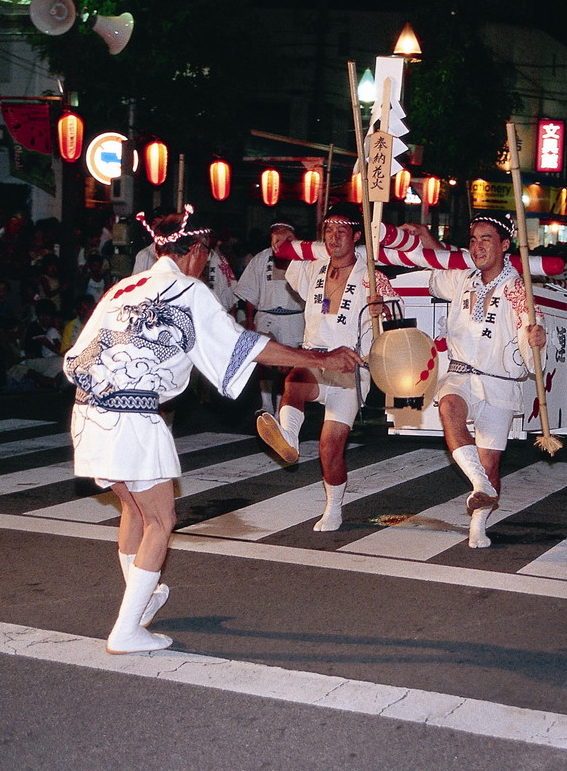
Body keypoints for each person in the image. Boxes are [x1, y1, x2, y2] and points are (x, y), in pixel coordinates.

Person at [63, 204, 364, 655]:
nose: (207, 263)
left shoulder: (123, 288)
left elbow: (74, 359)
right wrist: (321, 360)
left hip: (87, 412)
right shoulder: (187, 290)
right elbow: (249, 347)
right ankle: (126, 630)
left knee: (136, 512)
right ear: (196, 250)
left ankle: (140, 604)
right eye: (207, 254)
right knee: (162, 520)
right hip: (133, 415)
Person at [255, 202, 397, 533]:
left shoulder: (372, 277)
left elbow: (395, 319)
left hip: (350, 368)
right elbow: (283, 251)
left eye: (342, 231)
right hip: (315, 358)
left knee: (329, 449)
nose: (333, 237)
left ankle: (334, 508)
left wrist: (382, 310)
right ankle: (288, 437)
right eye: (328, 230)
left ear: (357, 236)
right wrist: (284, 237)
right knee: (296, 377)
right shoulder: (313, 267)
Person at [407, 215, 547, 548]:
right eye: (472, 240)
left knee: (491, 461)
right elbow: (434, 268)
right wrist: (427, 239)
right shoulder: (462, 279)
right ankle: (480, 485)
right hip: (461, 374)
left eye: (486, 239)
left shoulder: (518, 289)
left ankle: (478, 525)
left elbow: (531, 324)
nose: (477, 246)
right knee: (449, 405)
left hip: (500, 384)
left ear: (505, 245)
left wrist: (537, 338)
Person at [233, 221, 306, 415]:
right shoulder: (261, 258)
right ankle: (266, 403)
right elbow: (249, 292)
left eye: (287, 238)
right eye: (278, 238)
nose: (282, 242)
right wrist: (250, 322)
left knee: (287, 363)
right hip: (267, 314)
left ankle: (283, 401)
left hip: (294, 316)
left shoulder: (304, 259)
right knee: (265, 358)